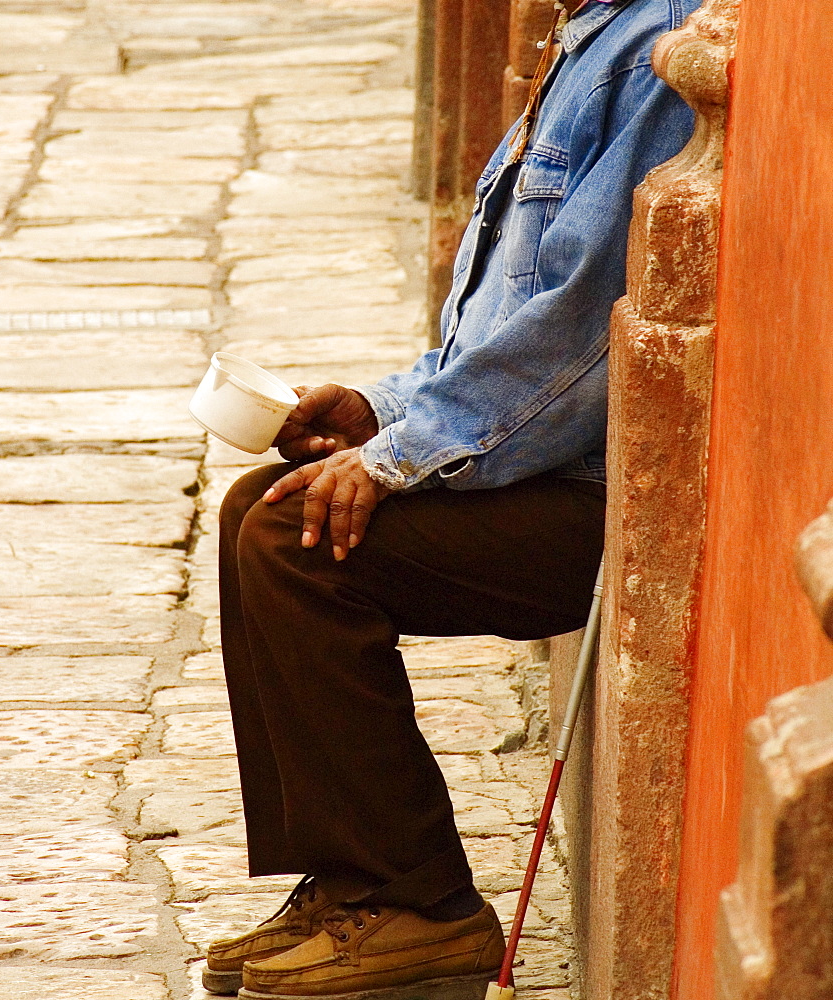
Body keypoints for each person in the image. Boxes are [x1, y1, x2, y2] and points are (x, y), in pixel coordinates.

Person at [203, 0, 698, 997]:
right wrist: (376, 409)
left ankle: (419, 901)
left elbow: (579, 337)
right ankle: (354, 886)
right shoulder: (586, 33)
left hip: (604, 502)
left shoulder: (653, 44)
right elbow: (498, 322)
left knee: (289, 539)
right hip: (538, 465)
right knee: (251, 510)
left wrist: (397, 458)